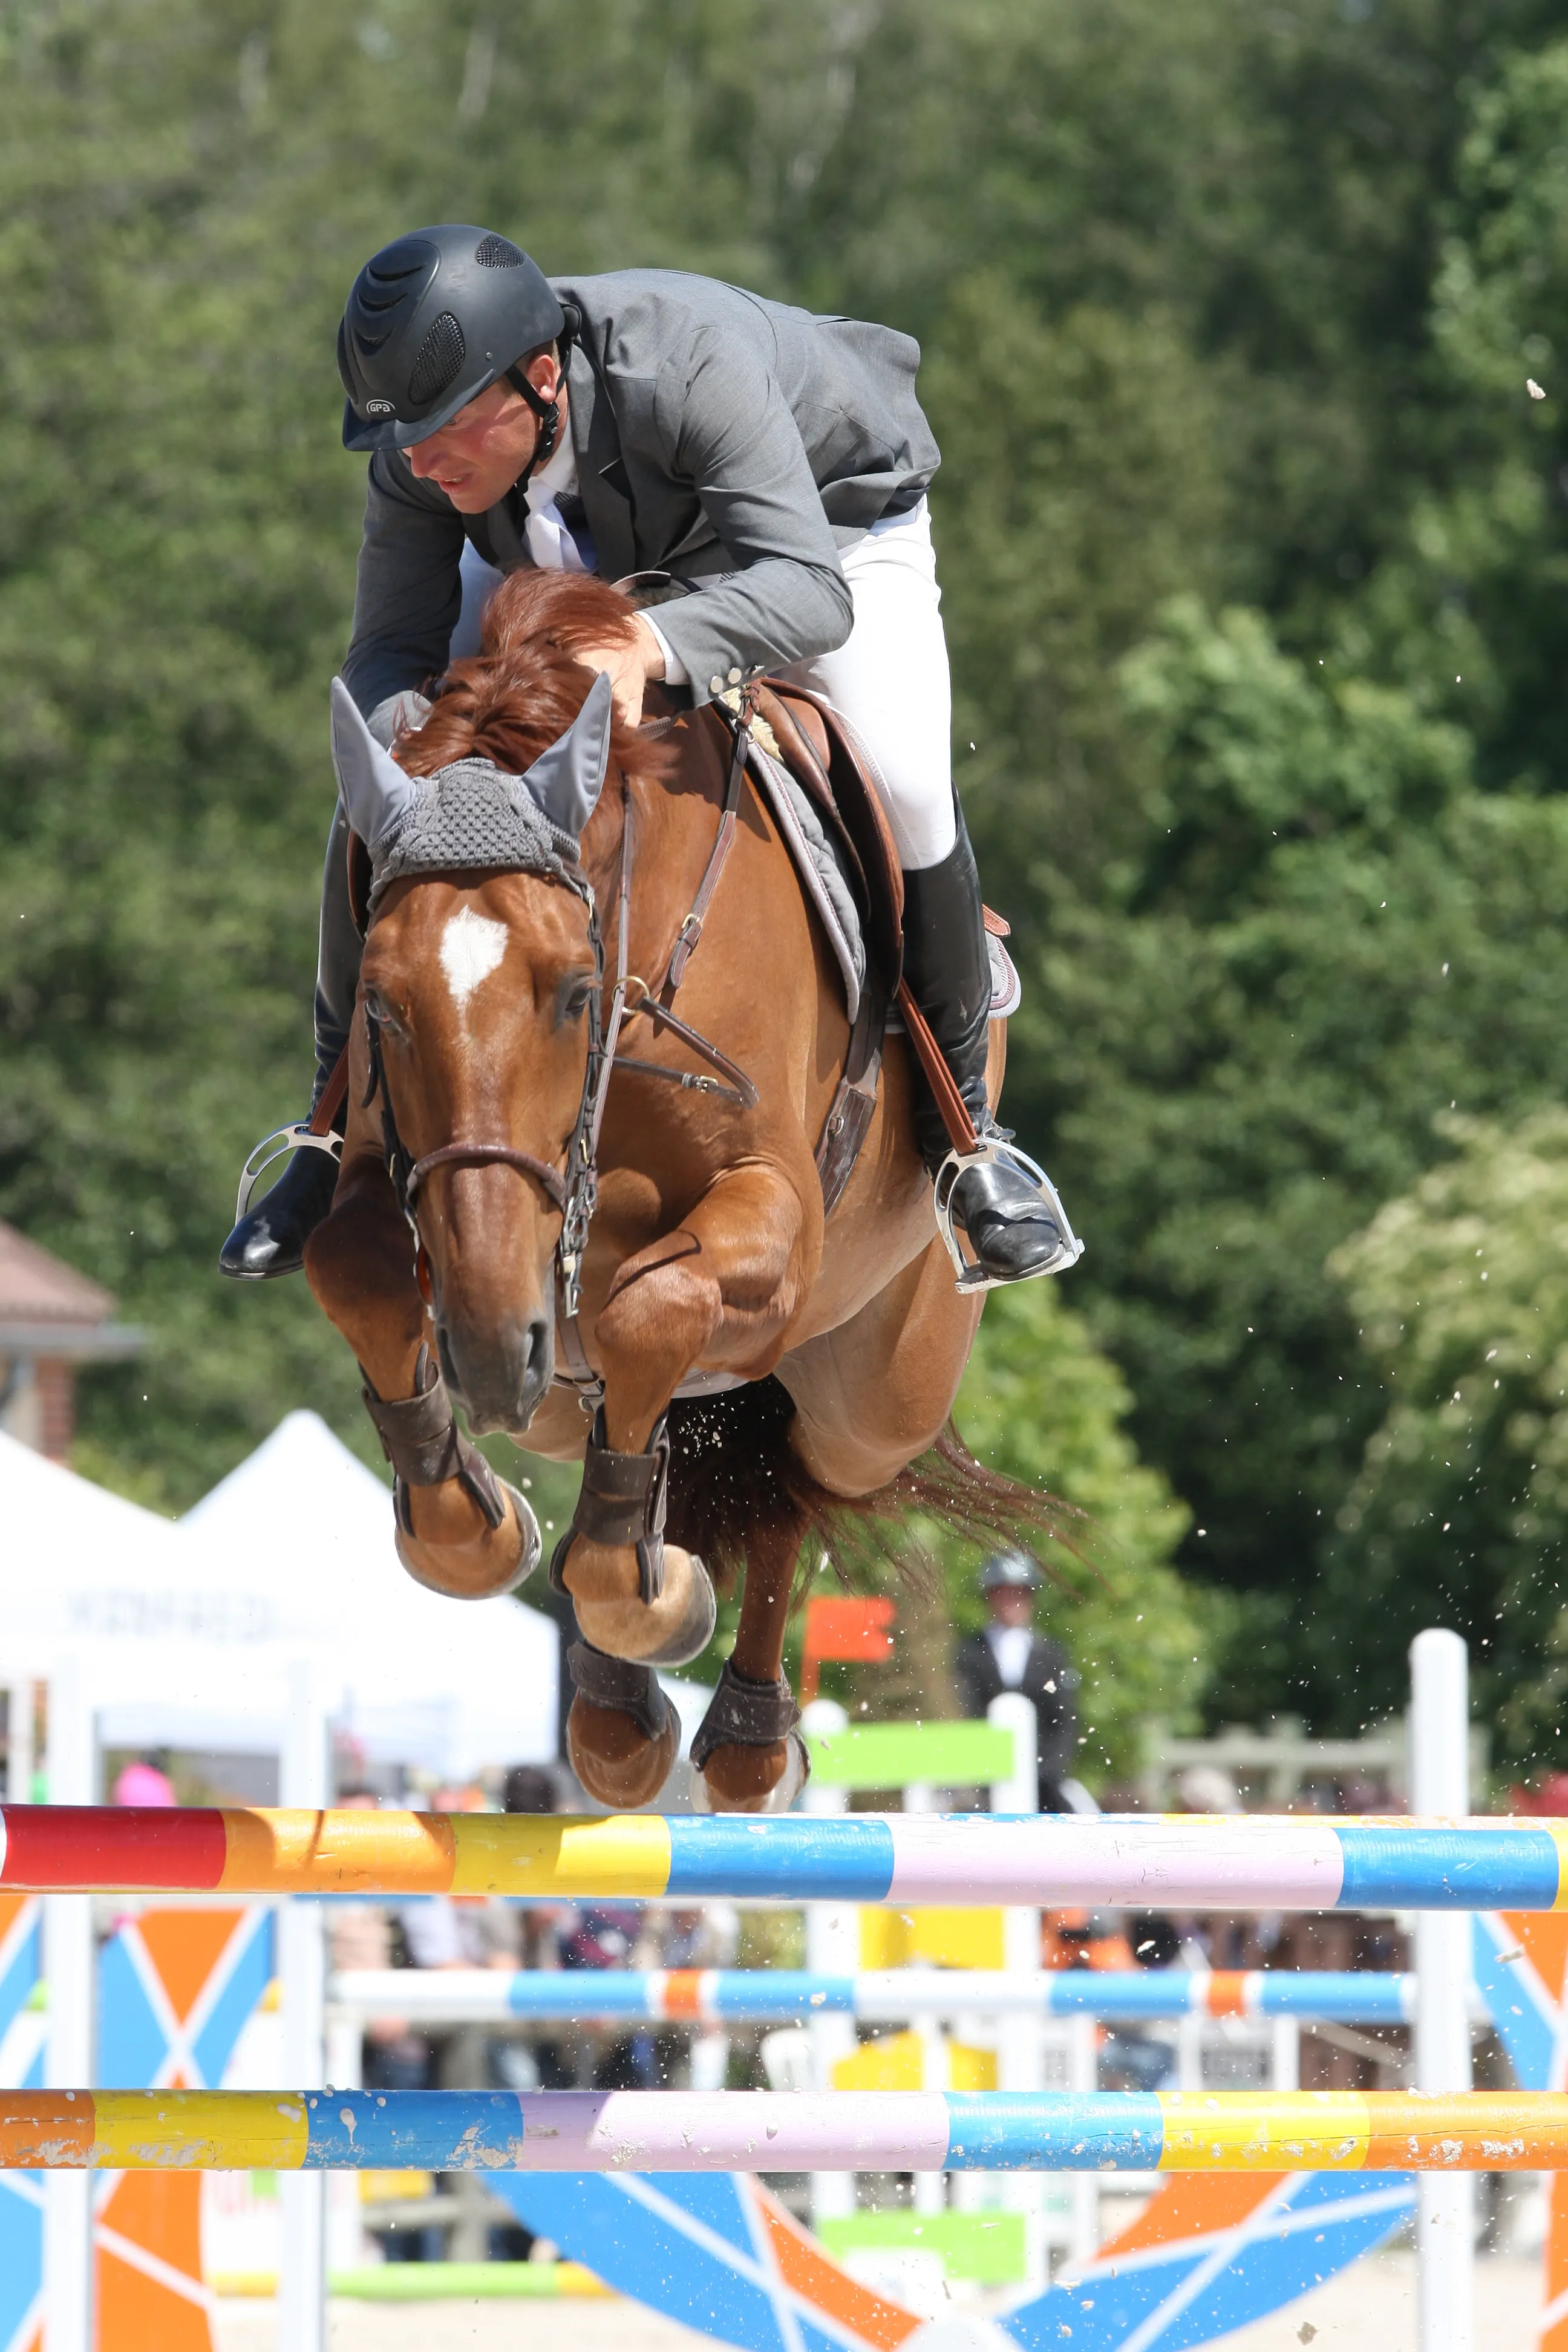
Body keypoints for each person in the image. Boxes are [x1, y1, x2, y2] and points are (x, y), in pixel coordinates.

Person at [220, 226, 1076, 1291]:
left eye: (445, 432)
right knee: (381, 796)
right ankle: (327, 1126)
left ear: (541, 380)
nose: (422, 462)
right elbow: (389, 648)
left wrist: (656, 643)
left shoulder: (685, 364)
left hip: (819, 533)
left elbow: (807, 591)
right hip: (580, 541)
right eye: (402, 441)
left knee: (902, 781)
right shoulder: (423, 454)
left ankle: (968, 1143)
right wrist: (414, 753)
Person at [953, 1551, 1080, 1812]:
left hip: (1044, 1781)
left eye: (1021, 1594)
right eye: (1006, 1593)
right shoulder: (969, 1653)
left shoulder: (1051, 1655)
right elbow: (964, 1712)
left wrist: (1044, 1770)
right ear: (990, 1596)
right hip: (983, 1779)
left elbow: (1063, 1718)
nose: (1014, 1602)